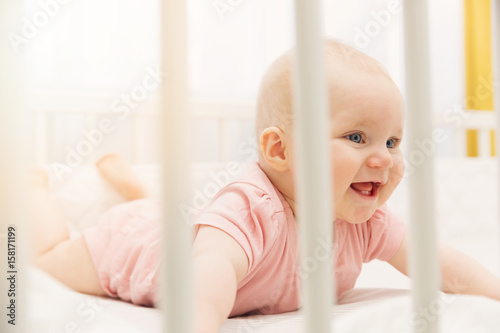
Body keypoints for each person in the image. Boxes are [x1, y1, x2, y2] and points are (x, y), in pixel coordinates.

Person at [32, 40, 500, 333]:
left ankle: (144, 196)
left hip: (183, 230)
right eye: (357, 137)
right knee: (40, 264)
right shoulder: (250, 208)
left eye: (393, 140)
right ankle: (35, 191)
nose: (385, 158)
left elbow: (443, 265)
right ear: (279, 152)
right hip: (133, 247)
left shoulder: (365, 221)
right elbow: (210, 274)